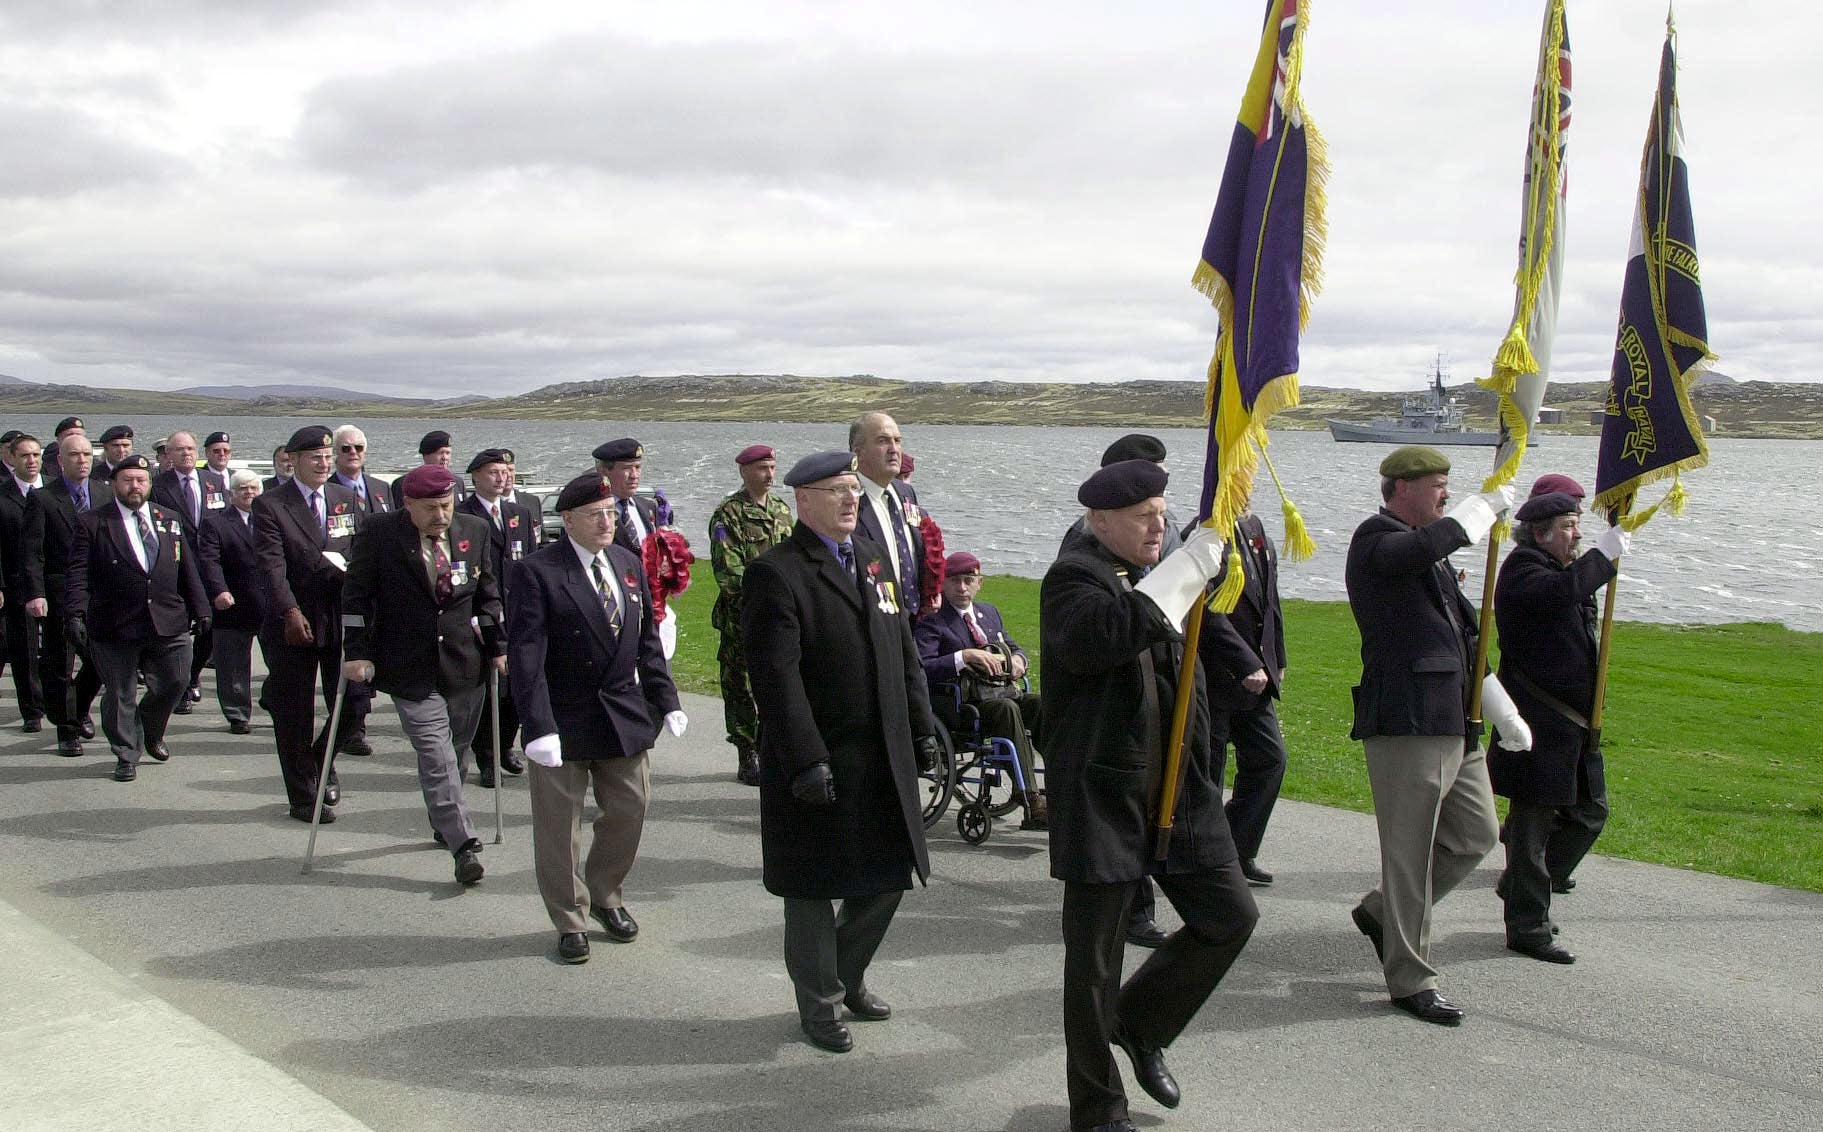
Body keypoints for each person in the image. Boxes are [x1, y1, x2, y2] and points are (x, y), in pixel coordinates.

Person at [1041, 459, 1254, 1132]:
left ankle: (1138, 1024)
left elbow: (1188, 635)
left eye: (1162, 515)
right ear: (1100, 521)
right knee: (1094, 964)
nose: (1157, 526)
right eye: (1142, 517)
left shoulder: (1156, 572)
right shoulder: (1073, 576)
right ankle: (1097, 1109)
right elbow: (1099, 637)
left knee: (1229, 917)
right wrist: (1184, 571)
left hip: (1177, 788)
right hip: (1105, 792)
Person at [742, 451, 943, 1054]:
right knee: (811, 888)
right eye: (836, 491)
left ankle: (845, 975)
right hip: (818, 757)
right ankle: (820, 1003)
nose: (851, 500)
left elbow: (901, 648)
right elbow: (776, 677)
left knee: (886, 876)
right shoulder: (777, 573)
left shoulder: (874, 563)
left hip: (881, 753)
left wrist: (923, 726)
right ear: (803, 501)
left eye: (853, 490)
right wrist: (806, 758)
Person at [1344, 445, 1526, 1026]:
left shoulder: (1435, 557)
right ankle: (1410, 979)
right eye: (1438, 484)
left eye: (1450, 486)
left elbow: (1467, 639)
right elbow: (1419, 547)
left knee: (1475, 835)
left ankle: (1381, 914)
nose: (1445, 493)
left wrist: (1501, 711)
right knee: (1409, 855)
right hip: (1407, 721)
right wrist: (1477, 511)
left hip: (1456, 720)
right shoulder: (1376, 539)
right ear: (1401, 488)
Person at [510, 473, 685, 964]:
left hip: (622, 713)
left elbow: (647, 640)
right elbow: (527, 656)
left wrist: (666, 699)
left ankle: (606, 892)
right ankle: (570, 918)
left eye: (610, 512)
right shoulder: (538, 571)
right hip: (563, 717)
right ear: (567, 520)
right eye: (595, 514)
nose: (607, 521)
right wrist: (538, 726)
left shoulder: (627, 564)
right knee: (559, 826)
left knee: (630, 808)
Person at [343, 463, 507, 886]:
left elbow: (487, 593)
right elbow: (356, 597)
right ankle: (464, 844)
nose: (441, 515)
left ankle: (444, 819)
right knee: (435, 755)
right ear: (408, 504)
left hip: (463, 663)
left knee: (456, 751)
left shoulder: (475, 529)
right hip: (407, 664)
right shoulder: (380, 533)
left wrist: (499, 646)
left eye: (446, 505)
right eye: (431, 507)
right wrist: (355, 653)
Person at [1490, 476, 1629, 965]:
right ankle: (1527, 924)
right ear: (1542, 532)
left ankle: (1520, 885)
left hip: (1573, 726)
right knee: (1531, 828)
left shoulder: (1557, 567)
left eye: (1577, 526)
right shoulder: (1523, 570)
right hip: (1536, 723)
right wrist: (1603, 557)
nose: (1577, 535)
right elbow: (1560, 592)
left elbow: (1572, 594)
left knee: (1591, 813)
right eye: (1569, 526)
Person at [1060, 434, 1185, 949]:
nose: (1156, 519)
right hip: (1111, 720)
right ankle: (1135, 911)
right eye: (1141, 505)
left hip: (1159, 700)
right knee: (1094, 939)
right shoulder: (1081, 551)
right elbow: (1093, 626)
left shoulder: (1166, 529)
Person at [65, 455, 210, 781]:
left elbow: (187, 568)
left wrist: (201, 608)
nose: (135, 486)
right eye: (128, 480)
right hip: (115, 625)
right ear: (114, 484)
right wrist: (74, 612)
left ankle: (150, 729)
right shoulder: (93, 522)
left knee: (175, 681)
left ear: (149, 483)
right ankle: (126, 754)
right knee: (120, 694)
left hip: (167, 619)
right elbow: (77, 574)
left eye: (141, 480)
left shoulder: (168, 518)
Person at [253, 425, 363, 823]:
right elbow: (271, 565)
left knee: (354, 701)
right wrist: (289, 611)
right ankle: (302, 796)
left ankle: (319, 759)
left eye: (327, 455)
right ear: (294, 460)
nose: (322, 462)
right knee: (294, 711)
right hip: (292, 619)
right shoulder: (271, 505)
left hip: (338, 614)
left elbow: (359, 552)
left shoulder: (345, 499)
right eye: (313, 456)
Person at [915, 550, 1048, 829]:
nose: (962, 587)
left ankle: (1062, 786)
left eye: (968, 580)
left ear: (979, 583)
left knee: (1040, 705)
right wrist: (965, 657)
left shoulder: (989, 613)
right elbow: (922, 667)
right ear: (942, 584)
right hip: (961, 705)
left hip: (999, 692)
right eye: (954, 581)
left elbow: (1014, 648)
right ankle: (1031, 799)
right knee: (1007, 709)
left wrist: (1019, 662)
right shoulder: (933, 620)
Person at [1193, 506, 1289, 886]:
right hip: (1218, 677)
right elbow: (1206, 612)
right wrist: (1245, 661)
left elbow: (1269, 597)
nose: (1246, 491)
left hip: (1258, 678)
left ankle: (1237, 848)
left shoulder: (1253, 526)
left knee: (1270, 760)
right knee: (1209, 775)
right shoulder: (1204, 534)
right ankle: (1207, 863)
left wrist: (1276, 654)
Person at [707, 443, 794, 786]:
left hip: (779, 617)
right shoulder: (728, 514)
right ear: (744, 471)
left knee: (778, 681)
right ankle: (747, 750)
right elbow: (728, 572)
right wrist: (770, 594)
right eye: (761, 468)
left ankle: (772, 745)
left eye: (772, 468)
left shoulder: (782, 511)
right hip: (741, 617)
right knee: (740, 683)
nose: (769, 475)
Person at [459, 448, 534, 785]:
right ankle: (486, 757)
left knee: (518, 687)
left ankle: (505, 747)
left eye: (504, 471)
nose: (501, 477)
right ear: (475, 476)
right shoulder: (463, 515)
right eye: (492, 472)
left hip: (517, 612)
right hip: (480, 614)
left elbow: (531, 561)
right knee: (488, 691)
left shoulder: (520, 512)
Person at [23, 437, 102, 754]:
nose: (82, 460)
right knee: (59, 664)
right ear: (59, 461)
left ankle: (79, 709)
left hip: (100, 594)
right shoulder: (43, 499)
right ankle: (66, 730)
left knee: (99, 660)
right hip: (60, 595)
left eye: (86, 454)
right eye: (74, 455)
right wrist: (35, 593)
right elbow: (32, 552)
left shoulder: (105, 492)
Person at [150, 430, 221, 712]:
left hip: (210, 567)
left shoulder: (213, 482)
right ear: (168, 454)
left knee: (209, 628)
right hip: (176, 568)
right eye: (179, 450)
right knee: (178, 630)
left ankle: (192, 678)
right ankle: (177, 687)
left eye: (190, 448)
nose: (186, 454)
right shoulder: (158, 486)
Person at [199, 471, 266, 735]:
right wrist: (219, 591)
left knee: (282, 662)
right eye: (242, 489)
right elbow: (209, 561)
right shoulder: (215, 524)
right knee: (233, 666)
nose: (248, 493)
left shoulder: (271, 521)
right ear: (230, 494)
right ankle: (237, 714)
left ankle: (273, 699)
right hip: (232, 603)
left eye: (253, 488)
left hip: (269, 602)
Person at [848, 412, 927, 622]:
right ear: (858, 452)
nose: (894, 449)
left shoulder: (905, 494)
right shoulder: (849, 500)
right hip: (873, 622)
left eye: (897, 441)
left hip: (916, 622)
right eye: (883, 441)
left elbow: (918, 548)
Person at [1, 433, 47, 731]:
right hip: (17, 584)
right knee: (24, 650)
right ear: (11, 459)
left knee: (63, 648)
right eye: (24, 456)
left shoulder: (55, 491)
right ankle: (31, 709)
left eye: (35, 455)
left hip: (55, 581)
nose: (31, 461)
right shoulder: (3, 497)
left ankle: (64, 704)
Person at [592, 438, 659, 556]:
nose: (634, 475)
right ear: (603, 471)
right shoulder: (591, 512)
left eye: (637, 467)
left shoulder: (648, 507)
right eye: (626, 468)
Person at [389, 430, 465, 508]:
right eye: (440, 453)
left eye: (448, 453)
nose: (445, 458)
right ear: (426, 455)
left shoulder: (457, 482)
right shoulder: (403, 483)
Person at [331, 425, 393, 515]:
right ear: (335, 452)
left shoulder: (382, 488)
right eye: (346, 448)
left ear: (364, 451)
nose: (353, 452)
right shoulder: (324, 491)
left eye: (358, 448)